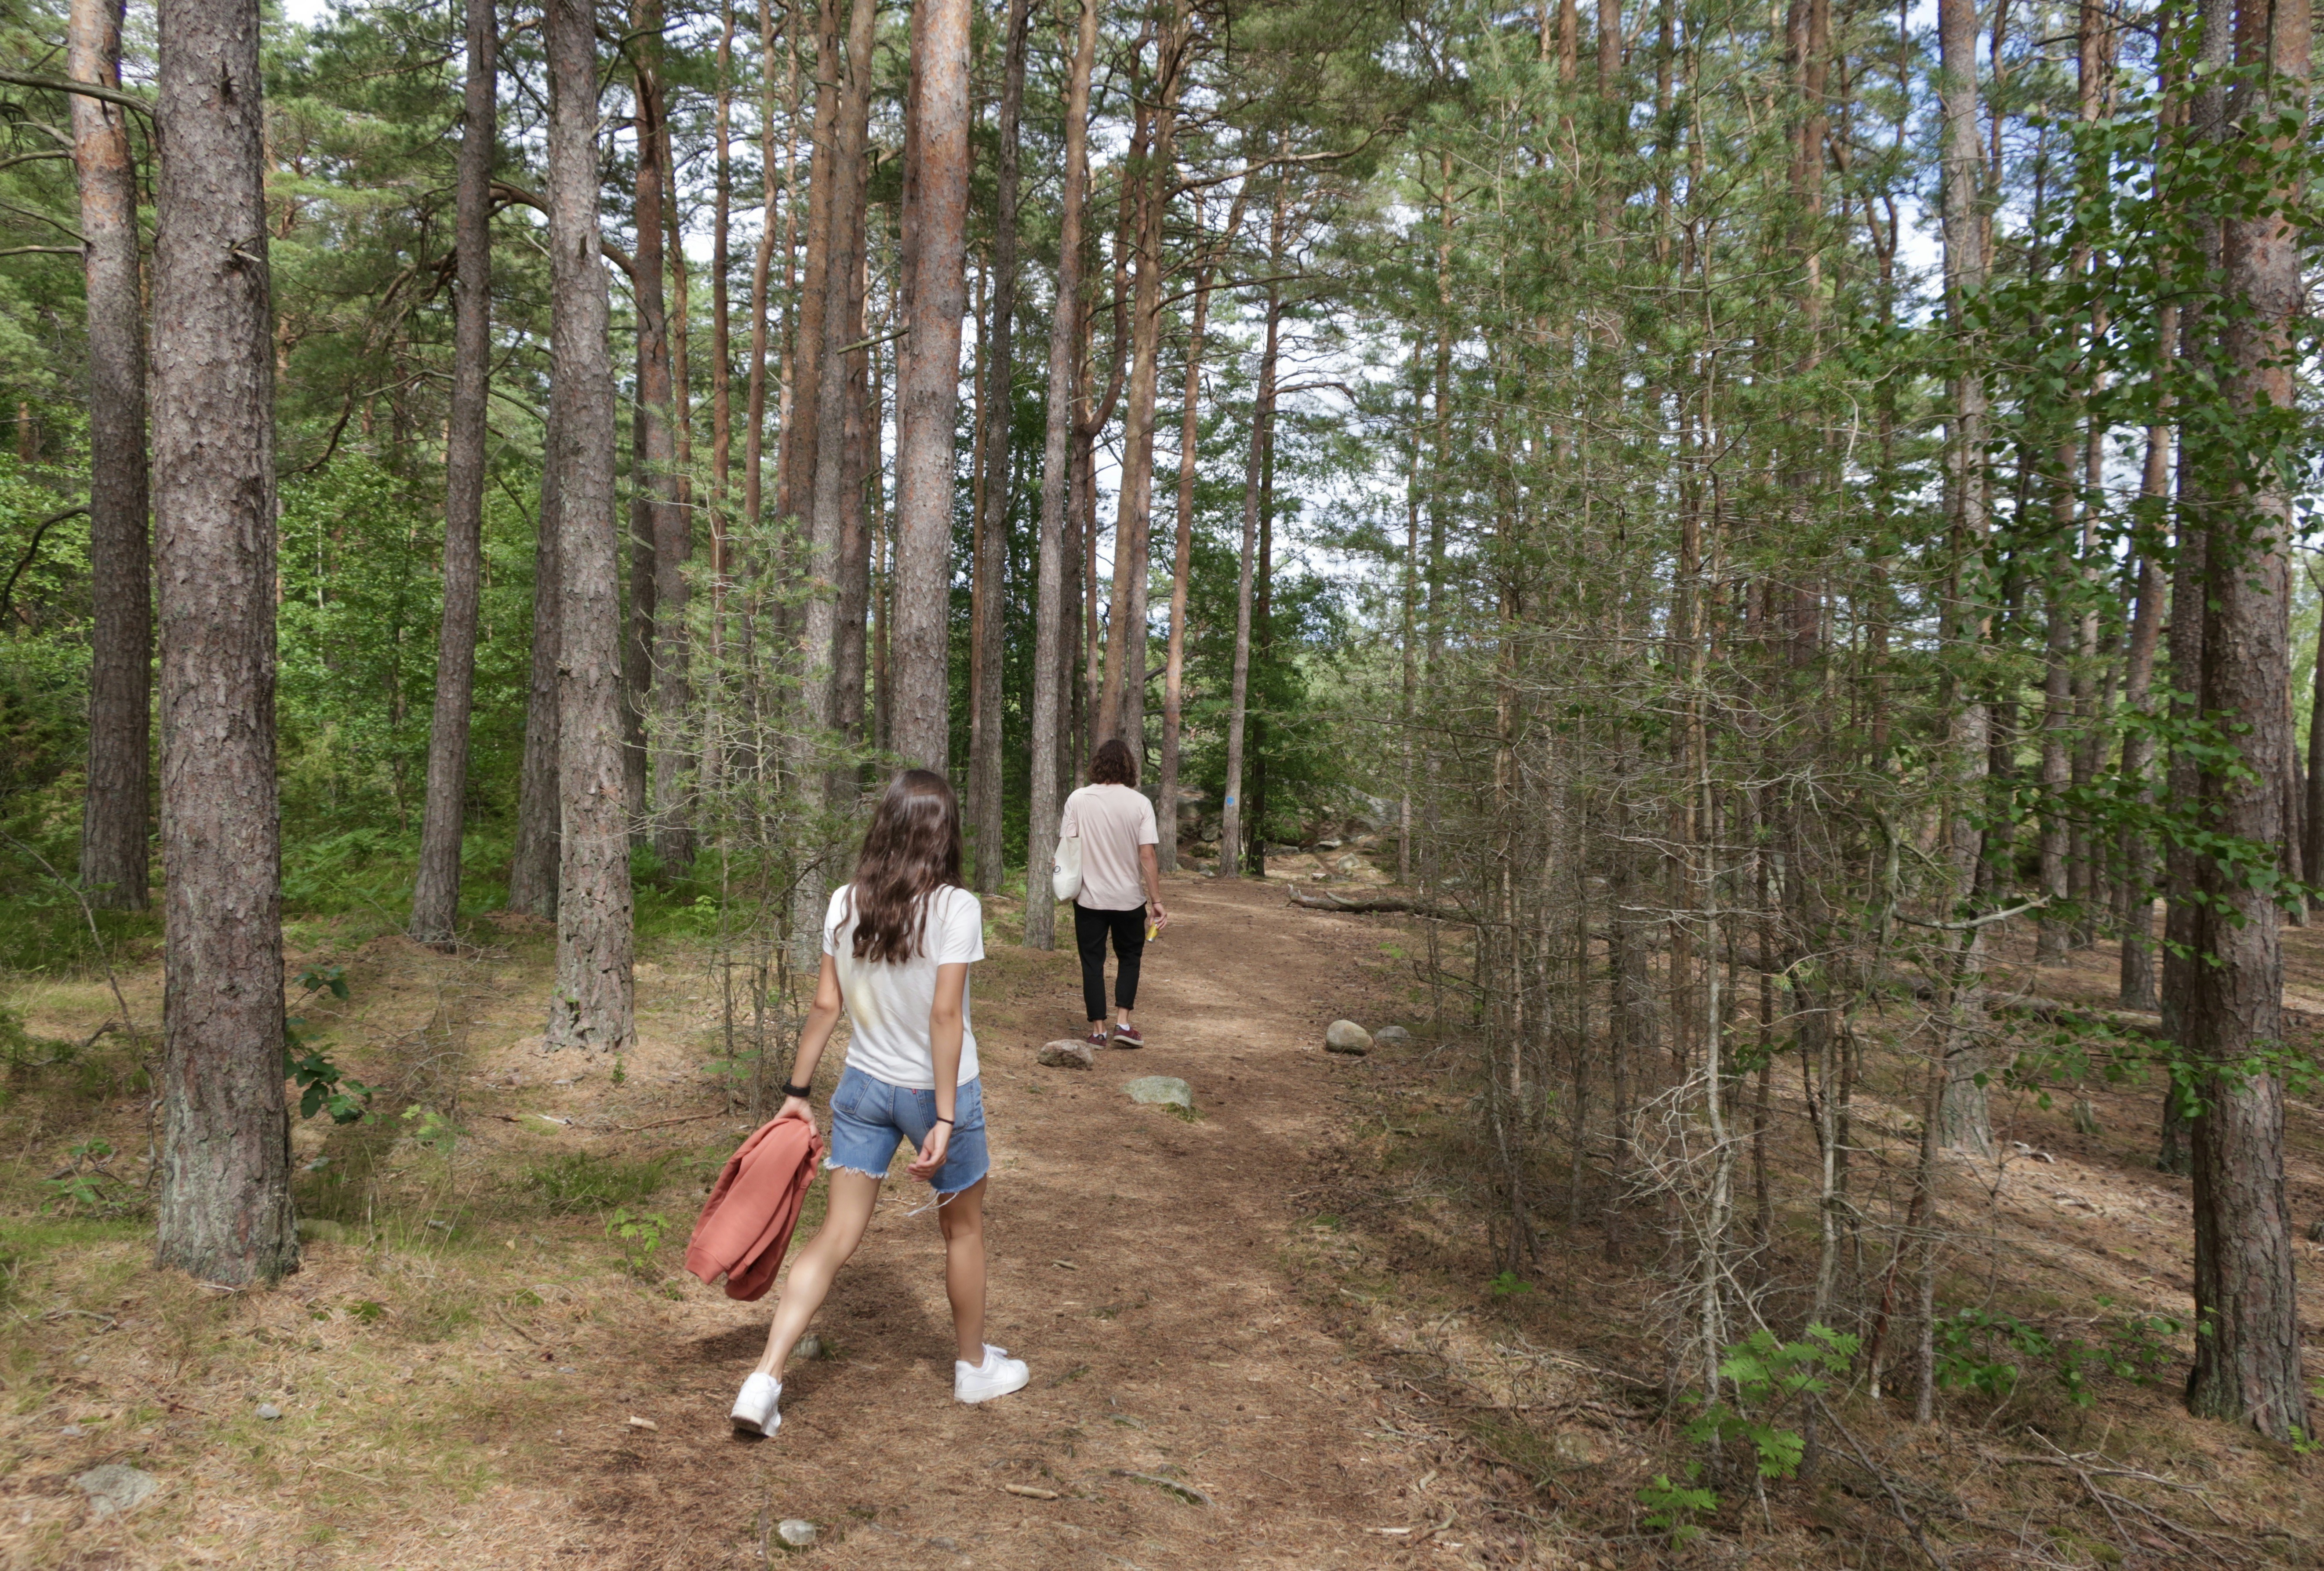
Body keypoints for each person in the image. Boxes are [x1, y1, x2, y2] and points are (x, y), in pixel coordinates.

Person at [727, 769, 1028, 1437]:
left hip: (861, 1086)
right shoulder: (955, 907)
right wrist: (946, 1117)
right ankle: (972, 1365)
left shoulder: (843, 901)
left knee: (835, 1236)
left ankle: (764, 1377)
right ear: (944, 832)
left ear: (884, 825)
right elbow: (944, 1015)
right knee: (962, 1230)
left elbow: (826, 1005)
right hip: (933, 1091)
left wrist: (796, 1094)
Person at [1058, 737, 1169, 1049]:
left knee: (1092, 962)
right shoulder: (1139, 804)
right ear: (1129, 767)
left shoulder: (1078, 799)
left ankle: (1098, 1030)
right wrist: (1157, 901)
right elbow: (1146, 855)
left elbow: (1067, 847)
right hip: (1128, 899)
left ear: (1098, 764)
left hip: (1089, 898)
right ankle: (1123, 1023)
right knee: (1130, 958)